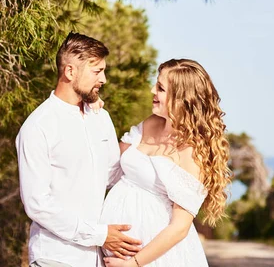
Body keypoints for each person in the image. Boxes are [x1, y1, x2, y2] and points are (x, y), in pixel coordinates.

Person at [16, 32, 142, 267]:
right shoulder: (38, 126)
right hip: (55, 257)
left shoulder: (101, 118)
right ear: (70, 71)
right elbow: (37, 204)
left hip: (97, 258)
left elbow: (114, 177)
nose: (103, 79)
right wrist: (99, 235)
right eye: (97, 71)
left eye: (104, 71)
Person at [101, 58, 231, 267]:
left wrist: (134, 263)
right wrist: (96, 116)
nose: (152, 90)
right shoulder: (150, 124)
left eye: (160, 88)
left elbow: (180, 227)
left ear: (181, 98)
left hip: (156, 259)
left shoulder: (192, 152)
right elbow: (109, 163)